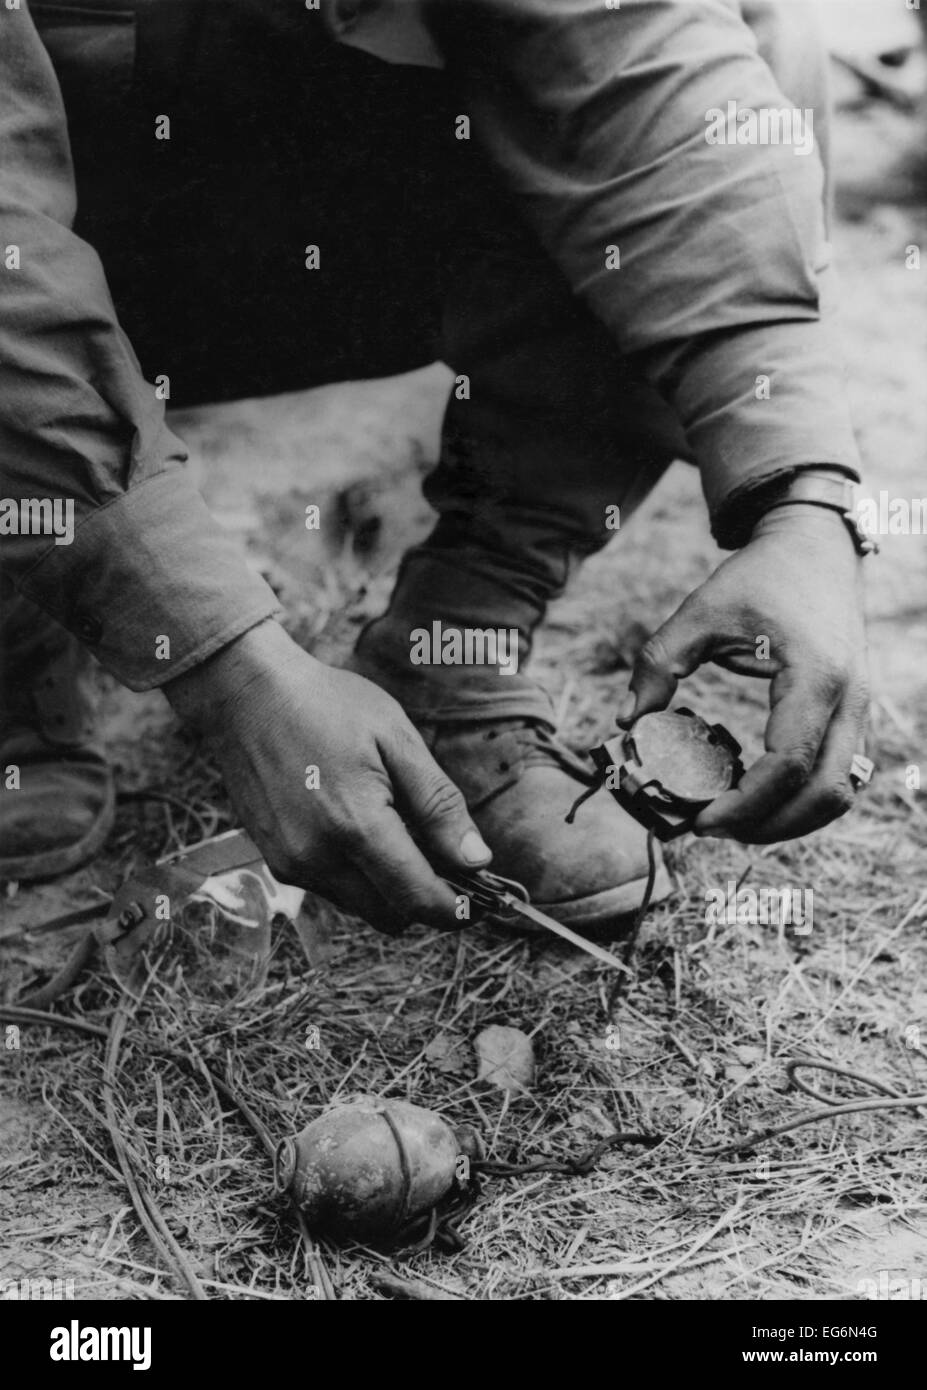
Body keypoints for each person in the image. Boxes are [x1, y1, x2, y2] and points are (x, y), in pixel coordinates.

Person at [0, 0, 871, 937]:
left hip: (295, 198)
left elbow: (645, 64)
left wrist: (802, 496)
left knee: (756, 43)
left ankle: (457, 642)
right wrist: (221, 661)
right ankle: (29, 585)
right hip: (56, 218)